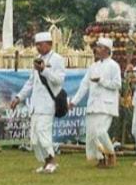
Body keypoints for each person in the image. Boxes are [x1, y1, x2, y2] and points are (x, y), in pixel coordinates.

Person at [10, 32, 66, 174]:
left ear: (49, 44)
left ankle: (52, 161)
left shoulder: (57, 59)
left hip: (48, 104)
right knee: (35, 138)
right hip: (35, 105)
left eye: (40, 45)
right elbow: (30, 82)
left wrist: (44, 70)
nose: (38, 48)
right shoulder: (37, 59)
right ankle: (46, 161)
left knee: (43, 133)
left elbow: (59, 80)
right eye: (36, 45)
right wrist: (18, 97)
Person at [69, 38, 121, 168]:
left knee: (101, 132)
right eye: (97, 47)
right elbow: (84, 85)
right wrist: (74, 101)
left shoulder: (114, 65)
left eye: (99, 47)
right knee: (92, 134)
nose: (96, 49)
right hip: (93, 105)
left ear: (107, 50)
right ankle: (101, 159)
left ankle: (111, 153)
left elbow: (117, 84)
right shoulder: (93, 66)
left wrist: (101, 81)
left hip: (106, 105)